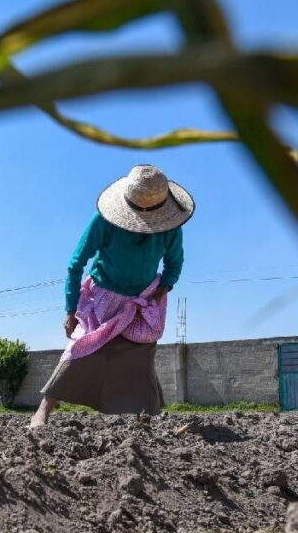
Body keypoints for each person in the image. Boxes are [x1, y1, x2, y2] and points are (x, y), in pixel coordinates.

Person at [29, 164, 194, 428]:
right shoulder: (104, 221)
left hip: (141, 302)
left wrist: (159, 294)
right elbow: (76, 263)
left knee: (140, 357)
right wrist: (70, 310)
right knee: (81, 349)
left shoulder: (170, 230)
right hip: (102, 298)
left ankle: (147, 416)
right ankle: (44, 409)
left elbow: (174, 266)